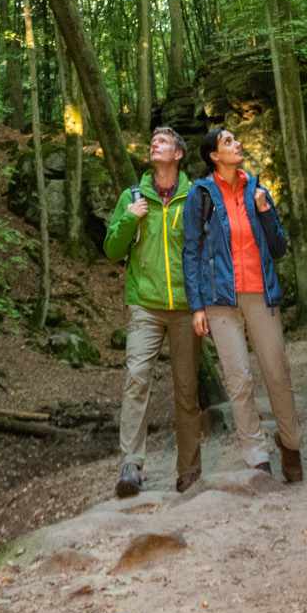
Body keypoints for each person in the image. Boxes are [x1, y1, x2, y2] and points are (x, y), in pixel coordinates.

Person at [181, 123, 303, 482]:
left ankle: (291, 444)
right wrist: (197, 306)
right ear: (214, 156)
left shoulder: (256, 188)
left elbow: (279, 248)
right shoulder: (201, 194)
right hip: (219, 300)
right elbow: (190, 251)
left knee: (277, 373)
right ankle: (256, 455)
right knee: (239, 380)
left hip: (260, 294)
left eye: (235, 139)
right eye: (228, 141)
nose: (237, 144)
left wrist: (266, 211)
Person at [102, 127, 204, 497]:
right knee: (136, 378)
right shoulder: (132, 196)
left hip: (185, 307)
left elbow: (205, 250)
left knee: (186, 388)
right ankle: (131, 464)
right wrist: (130, 218)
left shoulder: (194, 196)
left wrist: (203, 303)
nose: (154, 144)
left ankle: (189, 467)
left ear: (178, 154)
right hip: (144, 304)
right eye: (153, 141)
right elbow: (112, 250)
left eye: (163, 141)